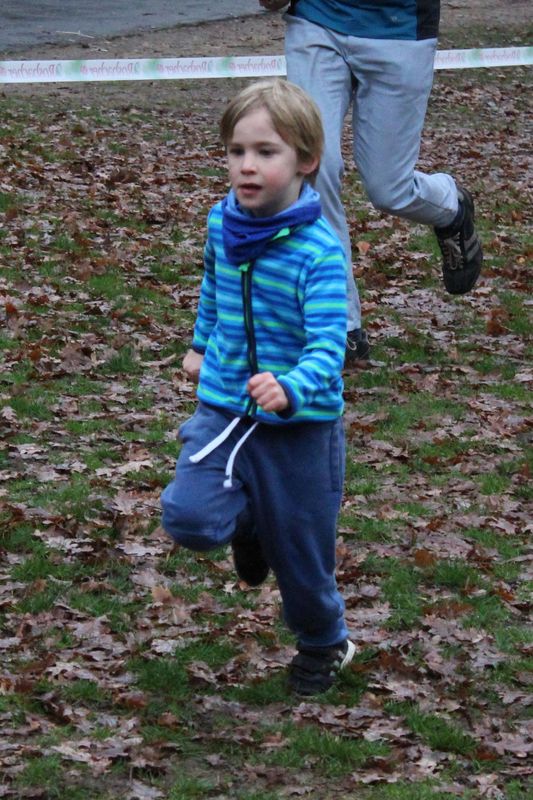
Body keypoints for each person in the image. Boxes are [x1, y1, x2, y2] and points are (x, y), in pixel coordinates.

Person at [161, 79, 355, 696]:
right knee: (189, 516)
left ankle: (324, 643)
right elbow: (214, 288)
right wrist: (199, 344)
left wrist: (293, 387)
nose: (247, 165)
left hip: (300, 425)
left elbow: (329, 344)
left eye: (266, 152)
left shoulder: (319, 253)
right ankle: (247, 525)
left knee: (301, 553)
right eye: (236, 151)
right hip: (225, 405)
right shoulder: (223, 221)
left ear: (306, 160)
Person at [258, 0, 483, 366]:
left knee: (389, 189)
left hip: (400, 29)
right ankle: (339, 325)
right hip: (317, 20)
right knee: (312, 165)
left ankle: (450, 206)